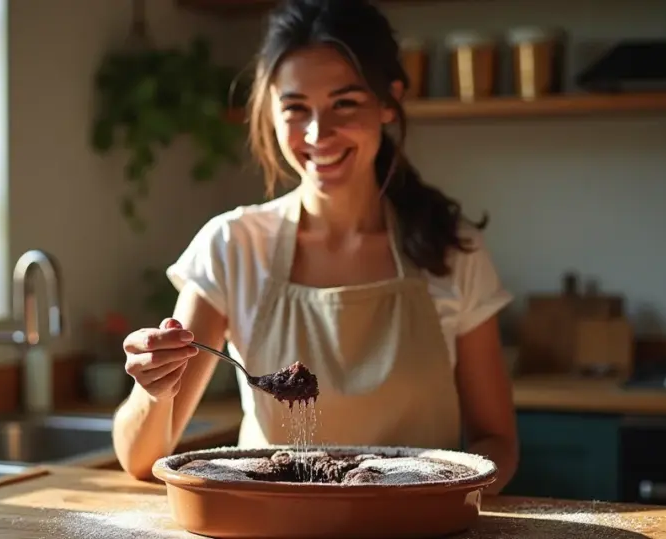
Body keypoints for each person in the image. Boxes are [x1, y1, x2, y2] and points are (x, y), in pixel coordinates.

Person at [113, 0, 519, 493]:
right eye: (296, 108)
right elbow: (140, 460)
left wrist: (436, 497)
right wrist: (154, 388)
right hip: (271, 526)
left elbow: (497, 442)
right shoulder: (232, 247)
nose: (317, 134)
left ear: (388, 101)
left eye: (344, 103)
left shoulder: (453, 252)